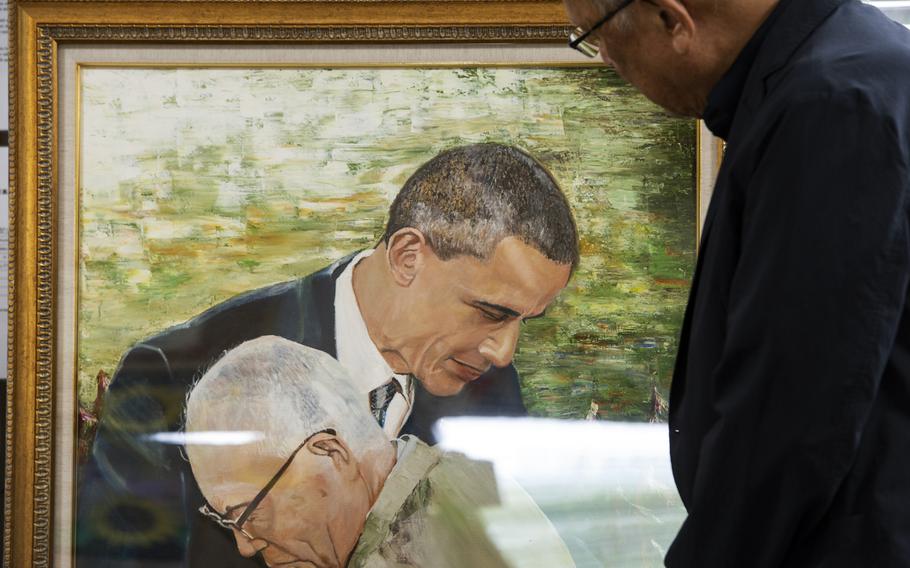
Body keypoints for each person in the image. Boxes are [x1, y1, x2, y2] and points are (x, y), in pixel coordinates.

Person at [76, 142, 579, 566]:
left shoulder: (491, 391)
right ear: (408, 256)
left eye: (523, 322)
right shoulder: (167, 375)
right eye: (491, 312)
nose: (505, 352)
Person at [562, 0, 910, 565]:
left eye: (592, 35)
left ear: (673, 22)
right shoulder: (841, 68)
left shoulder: (830, 101)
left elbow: (791, 414)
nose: (604, 59)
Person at [184, 336, 573, 568]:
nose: (246, 544)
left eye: (249, 513)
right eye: (227, 521)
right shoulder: (449, 485)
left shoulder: (415, 548)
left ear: (330, 453)